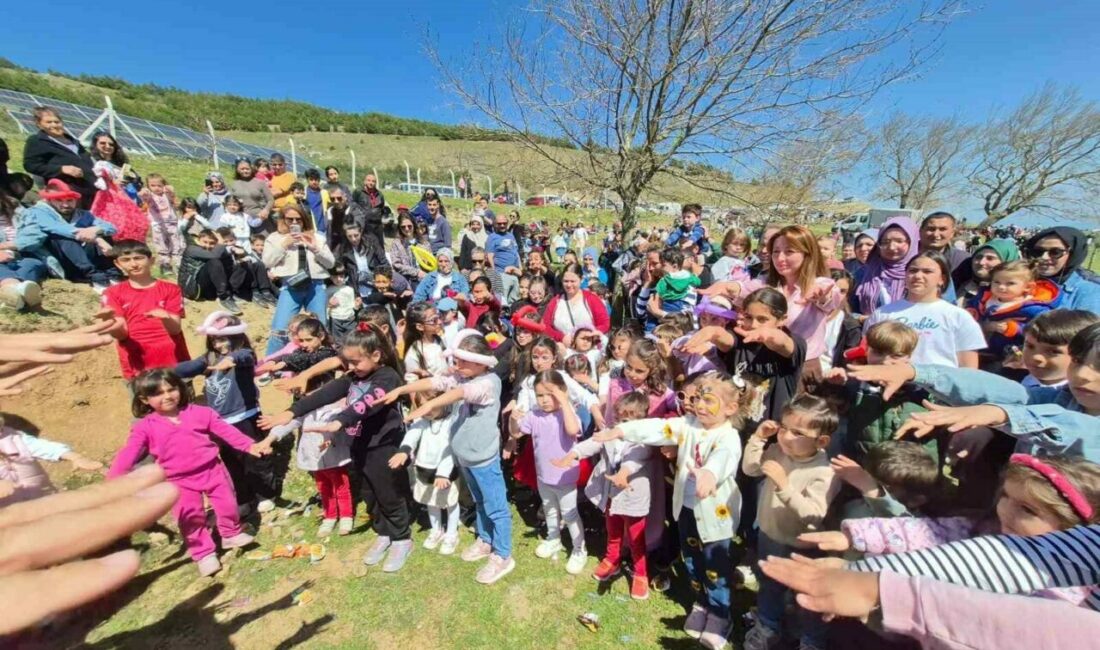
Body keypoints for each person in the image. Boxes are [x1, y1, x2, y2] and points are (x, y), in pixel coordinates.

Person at [594, 376, 745, 649]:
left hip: (715, 516)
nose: (698, 405)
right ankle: (701, 605)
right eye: (697, 398)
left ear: (731, 408)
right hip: (686, 509)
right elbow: (657, 427)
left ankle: (721, 616)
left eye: (708, 400)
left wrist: (709, 474)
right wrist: (621, 432)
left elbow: (724, 456)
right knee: (692, 562)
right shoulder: (688, 425)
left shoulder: (728, 436)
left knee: (715, 568)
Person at [261, 324, 413, 571]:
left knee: (388, 493)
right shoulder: (354, 377)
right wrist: (290, 412)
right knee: (369, 493)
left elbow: (367, 403)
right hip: (359, 445)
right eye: (347, 361)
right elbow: (324, 394)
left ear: (376, 355)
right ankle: (383, 533)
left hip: (383, 446)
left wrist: (338, 421)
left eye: (355, 362)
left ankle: (401, 538)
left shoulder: (387, 377)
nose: (350, 367)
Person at [108, 369, 268, 576]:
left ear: (180, 389)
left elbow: (225, 431)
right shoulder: (145, 427)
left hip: (212, 469)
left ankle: (230, 533)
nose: (167, 396)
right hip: (178, 480)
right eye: (158, 393)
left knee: (228, 504)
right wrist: (114, 479)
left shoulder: (200, 413)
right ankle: (203, 554)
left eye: (171, 389)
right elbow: (130, 452)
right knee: (190, 518)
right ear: (144, 399)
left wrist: (249, 445)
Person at [387, 331, 515, 585]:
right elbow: (435, 383)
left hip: (483, 459)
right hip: (466, 457)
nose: (456, 367)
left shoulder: (487, 383)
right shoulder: (464, 375)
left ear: (480, 361)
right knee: (479, 501)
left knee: (496, 506)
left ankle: (503, 554)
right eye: (455, 361)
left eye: (462, 362)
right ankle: (486, 540)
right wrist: (402, 388)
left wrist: (425, 408)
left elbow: (458, 394)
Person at [741, 394, 840, 650]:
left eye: (797, 432)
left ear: (822, 441)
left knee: (804, 598)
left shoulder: (824, 471)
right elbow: (750, 469)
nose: (785, 436)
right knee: (769, 585)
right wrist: (758, 439)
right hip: (769, 535)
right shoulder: (776, 450)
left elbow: (813, 514)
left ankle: (811, 641)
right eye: (783, 428)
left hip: (800, 546)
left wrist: (785, 486)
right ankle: (768, 626)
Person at [556, 392, 653, 596]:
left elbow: (637, 457)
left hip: (632, 493)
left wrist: (624, 473)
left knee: (636, 537)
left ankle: (641, 573)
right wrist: (573, 454)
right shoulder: (611, 432)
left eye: (627, 420)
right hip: (610, 493)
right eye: (618, 418)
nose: (621, 424)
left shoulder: (644, 438)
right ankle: (612, 560)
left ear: (641, 420)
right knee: (613, 529)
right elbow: (593, 442)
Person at [508, 370, 588, 575]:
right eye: (539, 395)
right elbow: (516, 433)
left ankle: (580, 549)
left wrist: (562, 399)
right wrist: (513, 419)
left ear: (562, 392)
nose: (544, 400)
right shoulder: (535, 415)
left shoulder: (567, 413)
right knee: (549, 509)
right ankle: (554, 539)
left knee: (570, 514)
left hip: (565, 477)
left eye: (549, 394)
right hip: (543, 476)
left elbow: (572, 431)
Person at [864, 251, 986, 368]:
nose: (918, 276)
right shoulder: (883, 313)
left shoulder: (959, 316)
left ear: (942, 279)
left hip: (937, 387)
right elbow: (866, 353)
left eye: (927, 271)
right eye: (913, 270)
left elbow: (968, 369)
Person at [102, 240, 191, 381]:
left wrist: (165, 317)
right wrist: (110, 322)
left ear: (151, 260)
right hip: (138, 365)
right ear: (117, 264)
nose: (133, 264)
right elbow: (121, 334)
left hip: (173, 361)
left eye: (139, 258)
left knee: (182, 401)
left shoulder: (171, 289)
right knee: (145, 402)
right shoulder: (112, 293)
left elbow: (175, 329)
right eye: (126, 260)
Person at [391, 391, 461, 554]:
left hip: (446, 472)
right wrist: (404, 450)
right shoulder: (422, 421)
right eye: (421, 406)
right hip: (424, 470)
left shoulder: (452, 421)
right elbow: (412, 435)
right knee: (431, 502)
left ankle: (451, 533)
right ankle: (436, 530)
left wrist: (443, 473)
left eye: (431, 405)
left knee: (450, 503)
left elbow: (451, 448)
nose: (427, 410)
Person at [262, 205, 337, 354]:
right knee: (280, 329)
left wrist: (315, 248)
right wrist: (284, 245)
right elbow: (267, 262)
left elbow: (330, 263)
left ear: (304, 221)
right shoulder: (275, 238)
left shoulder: (317, 237)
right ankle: (270, 367)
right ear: (283, 220)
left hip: (316, 285)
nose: (295, 223)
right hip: (291, 285)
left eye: (299, 219)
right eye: (290, 219)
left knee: (319, 328)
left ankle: (322, 366)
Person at [16, 179, 118, 288]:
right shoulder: (37, 212)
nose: (65, 205)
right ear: (50, 201)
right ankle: (93, 276)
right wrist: (97, 239)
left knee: (102, 232)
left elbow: (111, 227)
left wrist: (96, 230)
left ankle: (111, 273)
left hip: (85, 254)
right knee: (62, 236)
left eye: (70, 200)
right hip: (61, 258)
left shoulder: (83, 214)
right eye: (59, 200)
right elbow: (58, 228)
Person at [966, 260, 1062, 365]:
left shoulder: (1032, 308)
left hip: (1008, 356)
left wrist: (1014, 328)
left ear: (1028, 287)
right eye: (996, 282)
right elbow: (972, 305)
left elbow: (1043, 331)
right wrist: (971, 312)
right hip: (977, 350)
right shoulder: (985, 297)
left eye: (1010, 283)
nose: (1001, 287)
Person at [0, 412, 103, 507]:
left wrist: (75, 457)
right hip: (12, 516)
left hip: (45, 499)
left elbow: (45, 447)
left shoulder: (14, 439)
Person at [21, 107, 96, 208]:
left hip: (90, 190)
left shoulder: (73, 141)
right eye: (48, 122)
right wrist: (61, 169)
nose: (54, 125)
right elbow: (30, 165)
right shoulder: (37, 141)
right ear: (39, 124)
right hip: (66, 195)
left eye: (57, 122)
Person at [1023, 226, 1100, 313]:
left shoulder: (1089, 293)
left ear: (1073, 255)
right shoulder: (1019, 281)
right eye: (1038, 252)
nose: (1044, 257)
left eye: (1055, 252)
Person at [1020, 309, 1100, 389]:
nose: (1036, 357)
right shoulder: (1015, 377)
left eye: (1053, 351)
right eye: (1030, 346)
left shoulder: (1083, 396)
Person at [177, 228, 245, 314]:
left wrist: (240, 253)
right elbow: (213, 256)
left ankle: (232, 292)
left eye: (212, 243)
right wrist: (220, 241)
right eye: (205, 242)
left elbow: (229, 254)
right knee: (214, 261)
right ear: (198, 240)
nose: (208, 245)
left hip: (208, 290)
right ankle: (224, 298)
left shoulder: (216, 250)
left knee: (238, 263)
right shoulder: (192, 249)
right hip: (192, 289)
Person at [541, 265, 611, 344]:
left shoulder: (592, 299)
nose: (569, 285)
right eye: (566, 281)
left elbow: (605, 323)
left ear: (581, 279)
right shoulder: (555, 302)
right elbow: (545, 326)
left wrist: (589, 334)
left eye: (573, 281)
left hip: (589, 347)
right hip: (563, 348)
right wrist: (561, 337)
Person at [0, 190, 45, 311]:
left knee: (32, 264)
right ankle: (14, 289)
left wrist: (8, 246)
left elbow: (35, 235)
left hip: (25, 254)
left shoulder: (17, 209)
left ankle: (14, 295)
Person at [138, 173, 182, 274]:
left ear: (163, 185)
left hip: (171, 223)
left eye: (159, 185)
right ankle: (165, 264)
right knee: (161, 244)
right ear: (148, 186)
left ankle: (178, 263)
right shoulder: (150, 196)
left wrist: (170, 189)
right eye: (153, 186)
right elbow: (142, 196)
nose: (156, 188)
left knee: (176, 243)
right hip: (157, 224)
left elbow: (172, 195)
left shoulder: (166, 194)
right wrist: (143, 191)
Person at [957, 238, 1020, 307]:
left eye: (990, 258)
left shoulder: (1017, 298)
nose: (981, 262)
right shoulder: (963, 286)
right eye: (978, 257)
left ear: (1006, 262)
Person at [919, 211, 971, 289]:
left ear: (952, 233)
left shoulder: (963, 260)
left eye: (942, 229)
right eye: (931, 229)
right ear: (920, 231)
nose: (936, 234)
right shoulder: (904, 255)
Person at [229, 158, 274, 234]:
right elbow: (231, 202)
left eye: (247, 169)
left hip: (260, 218)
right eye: (242, 169)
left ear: (251, 168)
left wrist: (266, 210)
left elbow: (271, 200)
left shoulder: (260, 183)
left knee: (262, 241)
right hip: (243, 219)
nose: (245, 171)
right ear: (237, 170)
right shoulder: (234, 184)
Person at [303, 169, 331, 237]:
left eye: (316, 180)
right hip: (309, 227)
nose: (314, 182)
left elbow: (330, 207)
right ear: (307, 180)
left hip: (322, 227)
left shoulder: (324, 192)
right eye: (311, 180)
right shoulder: (303, 193)